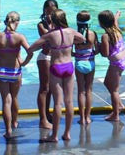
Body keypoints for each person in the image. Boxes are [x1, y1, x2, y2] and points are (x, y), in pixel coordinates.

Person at [27, 9, 85, 142]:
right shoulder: (71, 32)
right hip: (69, 67)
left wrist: (48, 45)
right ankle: (67, 133)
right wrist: (70, 43)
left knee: (58, 103)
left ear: (53, 20)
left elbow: (32, 47)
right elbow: (82, 38)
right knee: (69, 101)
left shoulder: (51, 35)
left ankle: (54, 136)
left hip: (56, 67)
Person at [0, 11, 32, 139]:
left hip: (1, 70)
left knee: (6, 101)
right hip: (15, 71)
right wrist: (23, 62)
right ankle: (14, 122)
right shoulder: (20, 37)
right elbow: (30, 52)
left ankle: (8, 130)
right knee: (14, 98)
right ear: (17, 22)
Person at [98, 10, 125, 122]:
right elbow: (115, 21)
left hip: (117, 63)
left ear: (101, 23)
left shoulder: (105, 36)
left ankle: (115, 114)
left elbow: (105, 53)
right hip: (123, 59)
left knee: (114, 90)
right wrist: (117, 15)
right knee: (107, 82)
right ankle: (119, 105)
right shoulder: (116, 29)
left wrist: (98, 46)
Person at [72, 11, 98, 125]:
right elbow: (98, 49)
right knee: (89, 90)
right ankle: (88, 117)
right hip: (90, 62)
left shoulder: (74, 35)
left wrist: (77, 54)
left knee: (81, 91)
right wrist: (90, 54)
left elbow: (69, 51)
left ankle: (82, 118)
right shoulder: (93, 34)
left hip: (79, 64)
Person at [36, 0, 58, 130]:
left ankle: (47, 113)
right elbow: (49, 36)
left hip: (55, 57)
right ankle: (42, 118)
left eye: (53, 11)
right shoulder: (41, 24)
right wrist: (51, 23)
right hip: (45, 57)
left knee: (50, 89)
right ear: (44, 11)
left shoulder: (59, 23)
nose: (50, 13)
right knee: (44, 88)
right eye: (48, 11)